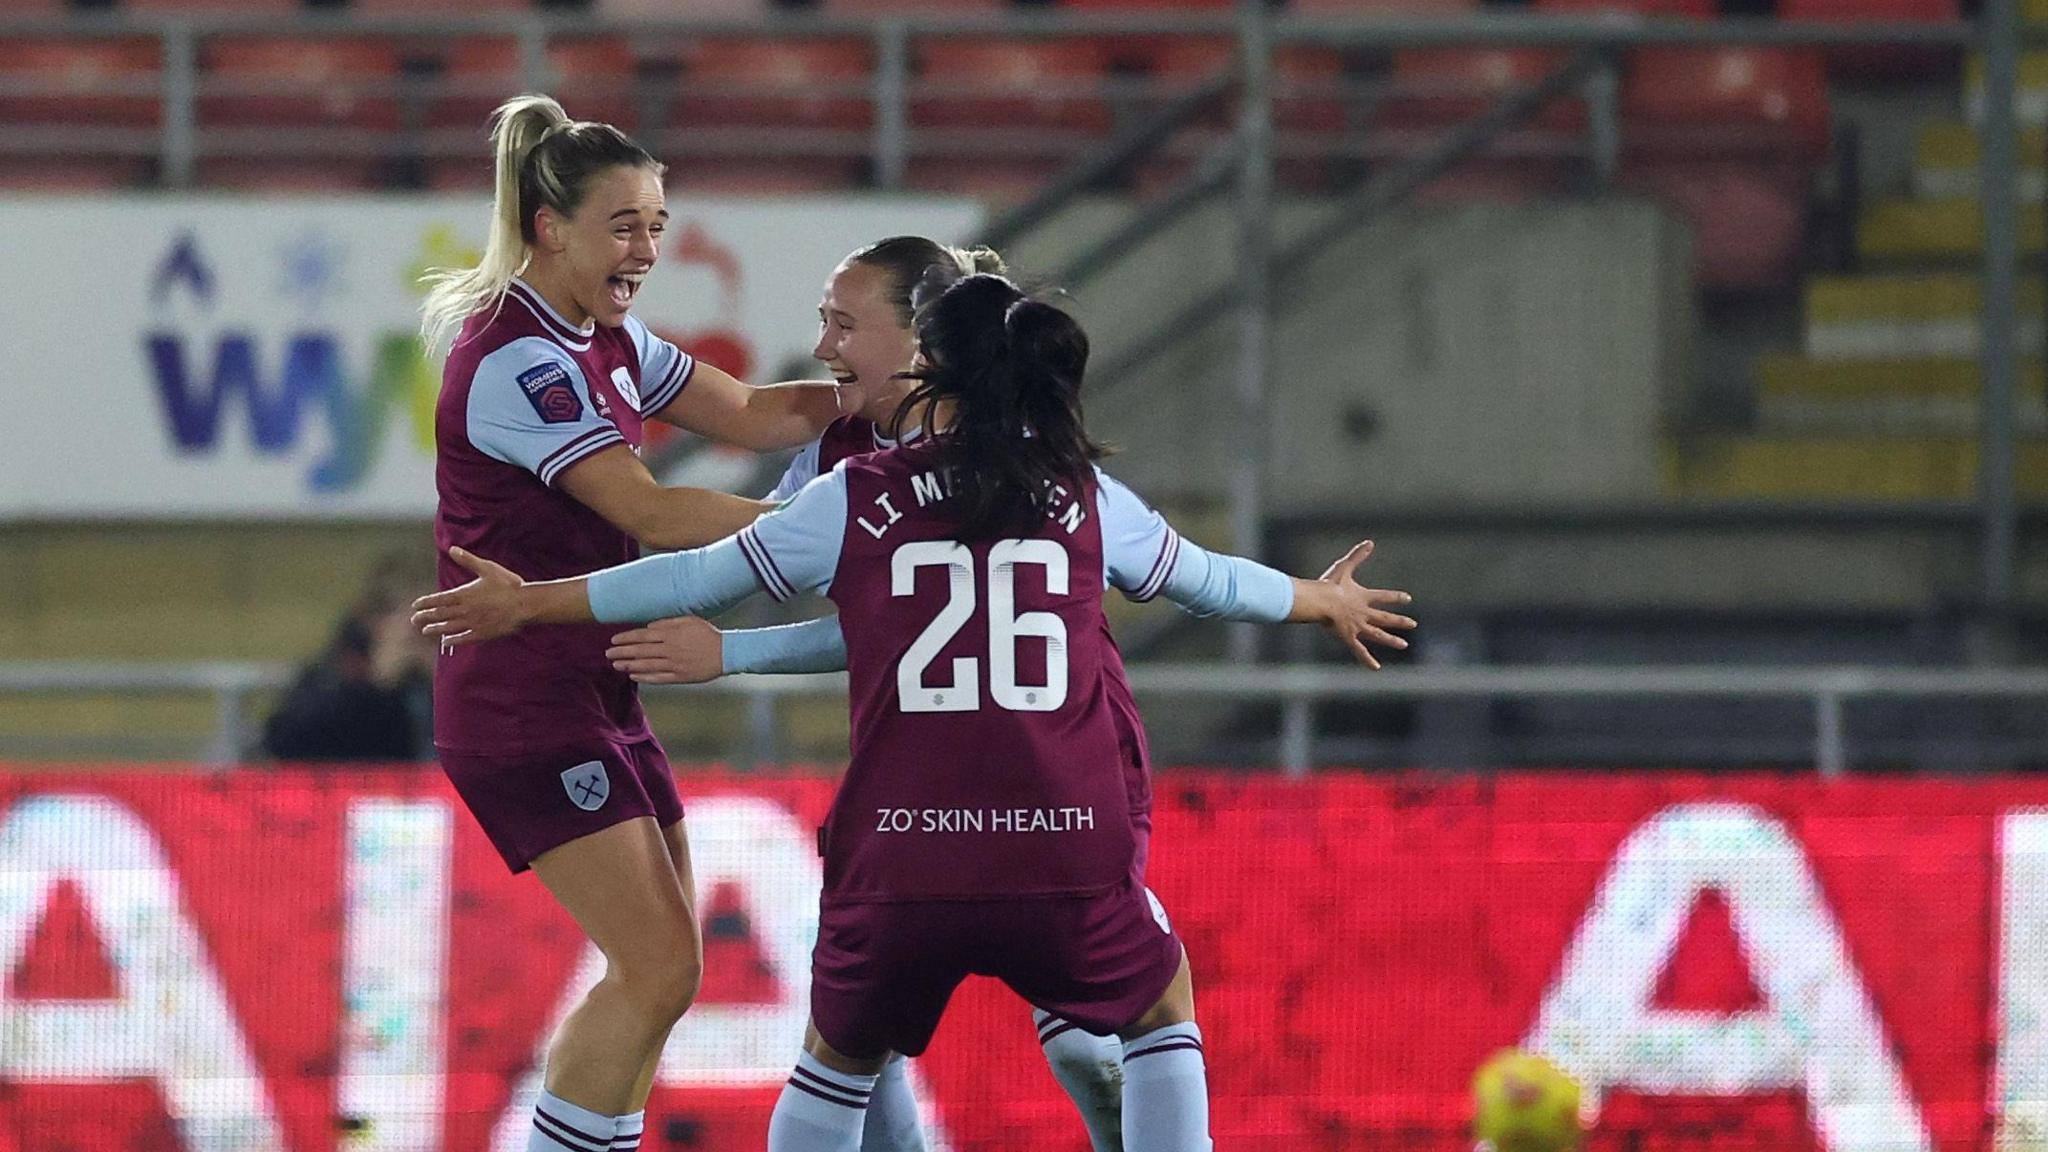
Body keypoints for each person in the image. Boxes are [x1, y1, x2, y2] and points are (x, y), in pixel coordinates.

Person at [412, 273, 1418, 1152]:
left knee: (833, 1067)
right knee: (1159, 1010)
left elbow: (690, 574)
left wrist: (533, 600)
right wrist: (1319, 597)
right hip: (1062, 849)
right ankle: (1092, 1056)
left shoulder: (855, 496)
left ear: (929, 367)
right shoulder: (1079, 492)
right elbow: (1205, 582)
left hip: (900, 861)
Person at [608, 235, 1137, 1152]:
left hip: (1048, 770)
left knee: (1088, 1055)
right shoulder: (841, 454)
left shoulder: (1022, 445)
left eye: (843, 325)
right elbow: (867, 617)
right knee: (863, 1011)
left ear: (921, 342)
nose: (823, 348)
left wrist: (726, 648)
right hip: (920, 777)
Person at [418, 93, 856, 1152]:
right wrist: (844, 529)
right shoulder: (519, 360)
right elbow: (650, 512)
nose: (647, 249)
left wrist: (883, 393)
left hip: (593, 685)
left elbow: (751, 412)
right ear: (548, 226)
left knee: (664, 973)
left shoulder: (601, 333)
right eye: (625, 226)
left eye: (657, 224)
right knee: (658, 968)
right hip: (522, 698)